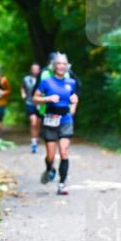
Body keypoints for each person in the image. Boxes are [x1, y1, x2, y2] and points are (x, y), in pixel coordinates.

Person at [33, 53, 78, 196]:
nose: (61, 66)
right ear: (54, 66)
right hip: (50, 121)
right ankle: (49, 169)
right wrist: (48, 99)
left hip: (65, 120)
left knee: (64, 152)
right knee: (50, 156)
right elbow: (34, 99)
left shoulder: (71, 82)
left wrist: (73, 106)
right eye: (59, 63)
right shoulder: (46, 82)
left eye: (64, 64)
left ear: (67, 66)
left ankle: (62, 184)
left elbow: (74, 98)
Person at [21, 63, 42, 153]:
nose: (35, 71)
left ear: (39, 70)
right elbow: (22, 88)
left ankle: (36, 139)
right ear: (31, 70)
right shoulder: (26, 79)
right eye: (33, 69)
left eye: (36, 69)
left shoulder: (43, 79)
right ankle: (33, 142)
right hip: (30, 102)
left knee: (38, 123)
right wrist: (23, 94)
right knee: (33, 122)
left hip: (40, 104)